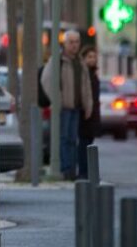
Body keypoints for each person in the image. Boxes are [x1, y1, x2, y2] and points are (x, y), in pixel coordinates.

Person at [41, 29, 92, 181]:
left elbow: (86, 85)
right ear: (65, 43)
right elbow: (46, 80)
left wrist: (88, 104)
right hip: (63, 107)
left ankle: (71, 169)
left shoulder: (80, 62)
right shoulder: (58, 60)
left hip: (76, 107)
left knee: (72, 139)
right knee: (63, 139)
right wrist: (57, 99)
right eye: (71, 42)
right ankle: (65, 169)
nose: (74, 45)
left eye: (77, 42)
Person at [78, 45, 100, 179]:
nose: (93, 60)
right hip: (85, 113)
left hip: (93, 113)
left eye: (94, 57)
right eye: (89, 57)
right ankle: (83, 172)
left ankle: (88, 172)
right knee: (83, 143)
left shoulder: (93, 74)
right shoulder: (84, 73)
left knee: (89, 142)